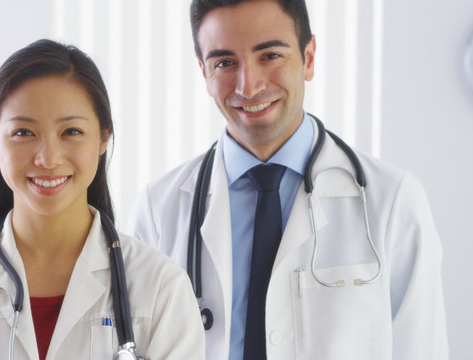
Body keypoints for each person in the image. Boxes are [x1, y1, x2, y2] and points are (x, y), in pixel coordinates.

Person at [126, 0, 448, 359]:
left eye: (270, 56)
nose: (249, 87)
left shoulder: (393, 201)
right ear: (204, 73)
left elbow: (422, 348)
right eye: (225, 63)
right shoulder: (159, 210)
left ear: (309, 57)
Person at [0, 39, 205, 360]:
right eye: (23, 133)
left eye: (71, 131)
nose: (47, 158)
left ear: (103, 138)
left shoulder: (159, 289)